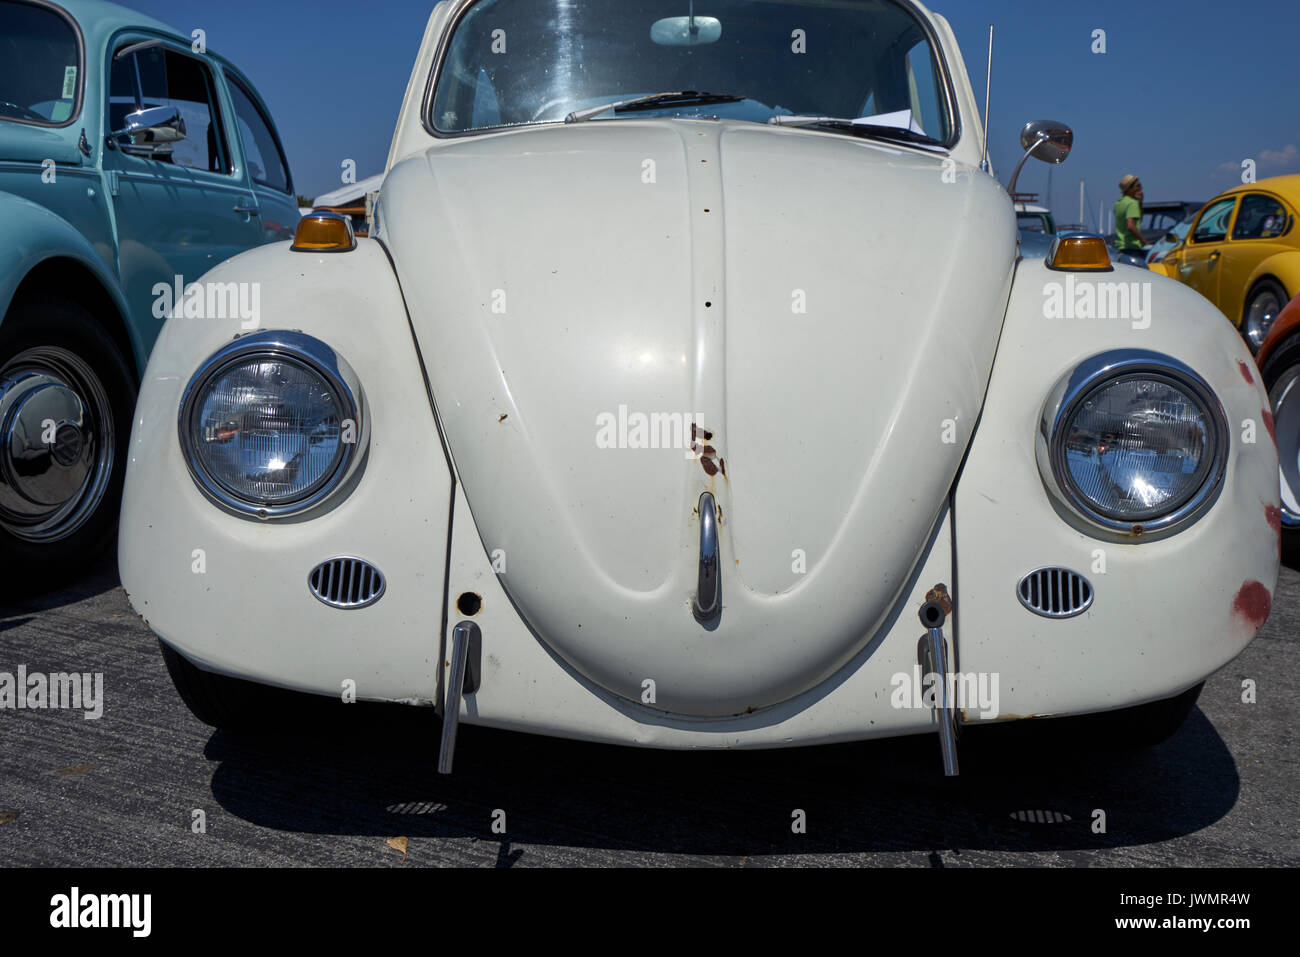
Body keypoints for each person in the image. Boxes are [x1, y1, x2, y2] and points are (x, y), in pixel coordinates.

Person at [1114, 174, 1147, 267]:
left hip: (1120, 248)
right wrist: (1144, 241)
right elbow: (1131, 226)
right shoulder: (1132, 203)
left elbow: (1136, 221)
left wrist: (1140, 203)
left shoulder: (1118, 203)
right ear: (1130, 189)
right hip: (1132, 249)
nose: (1141, 188)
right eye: (1138, 186)